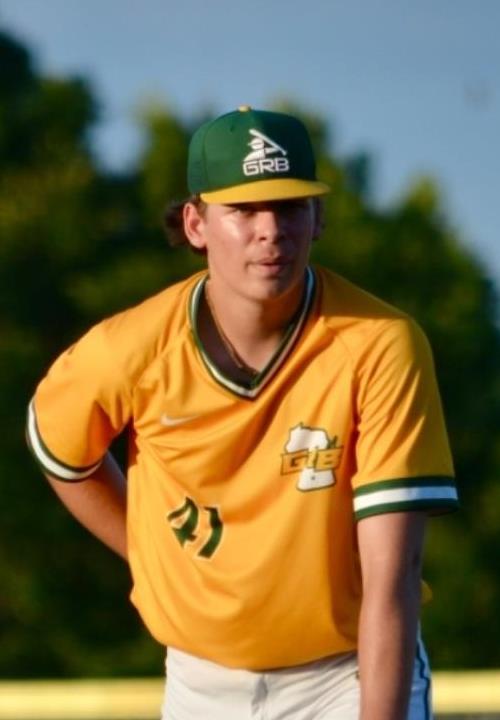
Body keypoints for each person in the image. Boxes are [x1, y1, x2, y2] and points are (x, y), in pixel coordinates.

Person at [27, 105, 458, 720]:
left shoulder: (380, 343)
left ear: (319, 218)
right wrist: (151, 554)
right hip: (199, 682)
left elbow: (395, 577)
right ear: (195, 223)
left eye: (289, 206)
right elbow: (61, 450)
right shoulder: (129, 349)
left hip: (344, 674)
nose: (270, 230)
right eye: (244, 209)